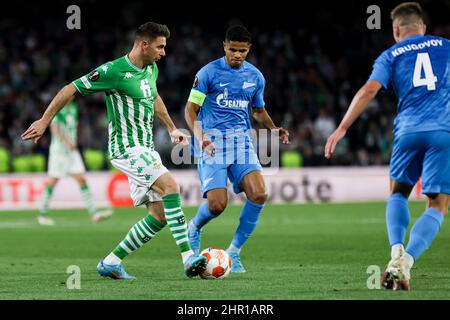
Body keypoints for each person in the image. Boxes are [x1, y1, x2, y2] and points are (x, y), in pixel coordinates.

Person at [22, 21, 206, 280]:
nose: (164, 52)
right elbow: (70, 89)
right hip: (126, 148)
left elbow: (153, 96)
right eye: (160, 47)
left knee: (160, 215)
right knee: (171, 187)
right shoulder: (113, 71)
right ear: (144, 45)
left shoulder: (151, 68)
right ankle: (188, 257)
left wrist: (172, 127)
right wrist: (44, 121)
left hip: (146, 149)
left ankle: (111, 262)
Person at [324, 2, 449, 291]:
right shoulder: (446, 45)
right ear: (423, 27)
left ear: (396, 30)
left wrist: (342, 127)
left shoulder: (390, 54)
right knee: (438, 204)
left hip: (407, 131)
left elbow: (369, 90)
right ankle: (406, 262)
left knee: (398, 192)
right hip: (444, 129)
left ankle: (395, 251)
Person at [184, 25, 290, 273]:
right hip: (212, 143)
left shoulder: (255, 77)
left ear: (248, 49)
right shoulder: (208, 73)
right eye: (233, 49)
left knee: (260, 194)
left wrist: (273, 128)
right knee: (217, 205)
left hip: (242, 143)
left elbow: (258, 110)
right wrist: (200, 137)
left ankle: (234, 253)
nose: (237, 55)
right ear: (224, 46)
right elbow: (190, 110)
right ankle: (194, 227)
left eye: (242, 50)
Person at [37, 99, 113, 226]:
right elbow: (55, 128)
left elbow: (75, 126)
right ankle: (42, 214)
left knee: (82, 180)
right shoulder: (57, 109)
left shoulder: (73, 108)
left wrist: (76, 139)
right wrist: (67, 142)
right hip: (59, 152)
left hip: (72, 152)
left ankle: (94, 214)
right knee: (53, 182)